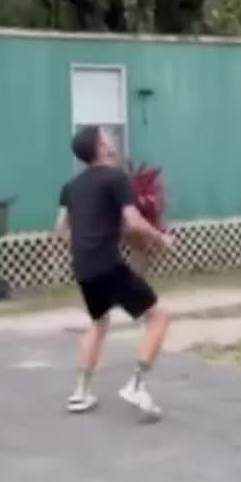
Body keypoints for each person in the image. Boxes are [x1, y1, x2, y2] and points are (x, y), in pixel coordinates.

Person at [56, 126, 174, 422]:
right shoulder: (116, 177)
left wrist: (92, 239)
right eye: (107, 137)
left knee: (98, 323)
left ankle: (80, 393)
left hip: (83, 267)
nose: (111, 140)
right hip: (108, 265)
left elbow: (61, 230)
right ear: (100, 147)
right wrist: (161, 239)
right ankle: (136, 386)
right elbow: (133, 221)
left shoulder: (71, 186)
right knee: (159, 315)